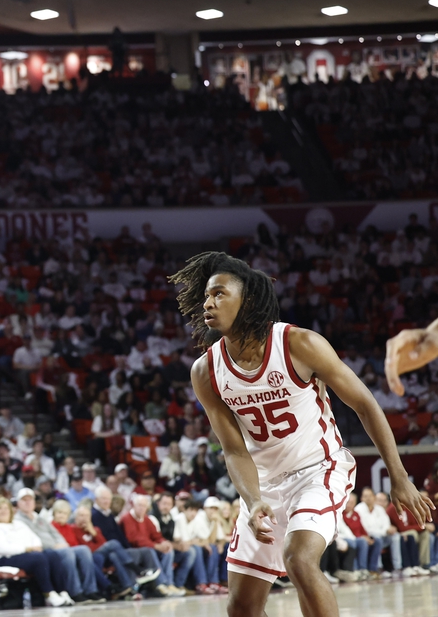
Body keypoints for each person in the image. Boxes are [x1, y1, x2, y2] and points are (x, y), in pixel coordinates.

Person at [170, 252, 434, 617]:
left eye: (218, 294)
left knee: (299, 559)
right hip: (263, 482)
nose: (208, 302)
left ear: (246, 300)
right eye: (206, 296)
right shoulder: (206, 372)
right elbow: (233, 449)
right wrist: (253, 499)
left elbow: (365, 404)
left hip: (318, 470)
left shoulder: (298, 344)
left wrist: (399, 475)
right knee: (242, 608)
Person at [0, 496, 76, 607]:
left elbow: (35, 538)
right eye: (0, 509)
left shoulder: (18, 524)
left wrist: (33, 547)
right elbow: (2, 548)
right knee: (38, 558)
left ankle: (63, 592)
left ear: (11, 511)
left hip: (27, 554)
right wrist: (27, 548)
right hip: (6, 558)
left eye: (6, 508)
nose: (3, 511)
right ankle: (49, 593)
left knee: (52, 554)